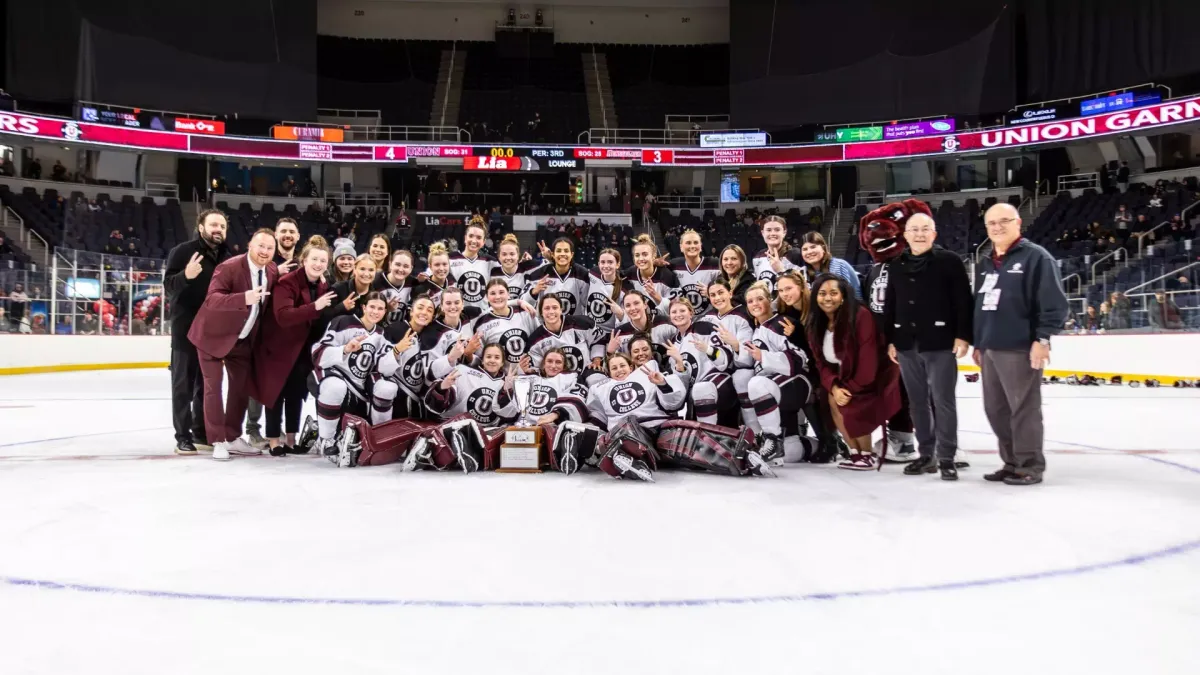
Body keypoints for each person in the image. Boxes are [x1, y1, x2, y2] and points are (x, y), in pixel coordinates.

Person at [972, 203, 1069, 486]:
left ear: (1017, 223)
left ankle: (1029, 465)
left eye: (1004, 221)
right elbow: (979, 305)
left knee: (1023, 409)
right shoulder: (985, 262)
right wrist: (978, 342)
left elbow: (1054, 304)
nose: (997, 227)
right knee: (996, 410)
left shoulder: (1036, 257)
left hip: (1019, 347)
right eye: (992, 223)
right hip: (989, 347)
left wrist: (1043, 339)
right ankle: (1011, 462)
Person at [883, 213, 973, 480]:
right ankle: (926, 455)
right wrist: (891, 339)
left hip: (940, 342)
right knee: (917, 403)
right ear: (905, 235)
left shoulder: (949, 261)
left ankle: (946, 457)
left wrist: (963, 335)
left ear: (934, 234)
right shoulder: (896, 264)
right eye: (914, 229)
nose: (920, 234)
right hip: (906, 343)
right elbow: (891, 303)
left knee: (943, 401)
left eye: (925, 229)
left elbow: (963, 301)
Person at [187, 228, 279, 461]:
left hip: (242, 339)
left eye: (270, 248)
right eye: (261, 246)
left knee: (240, 388)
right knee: (213, 387)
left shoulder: (272, 270)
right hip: (212, 336)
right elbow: (212, 298)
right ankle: (218, 440)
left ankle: (232, 436)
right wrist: (243, 298)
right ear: (250, 245)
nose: (265, 251)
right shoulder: (228, 267)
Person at [253, 236, 339, 456]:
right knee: (276, 393)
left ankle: (291, 439)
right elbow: (283, 316)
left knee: (296, 393)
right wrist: (315, 306)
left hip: (303, 349)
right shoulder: (287, 282)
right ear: (304, 260)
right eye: (314, 259)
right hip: (279, 347)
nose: (318, 264)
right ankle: (274, 440)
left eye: (323, 261)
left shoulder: (322, 284)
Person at [807, 273, 901, 471]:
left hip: (871, 377)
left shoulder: (860, 316)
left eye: (833, 293)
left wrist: (850, 387)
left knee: (850, 400)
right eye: (822, 293)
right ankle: (855, 452)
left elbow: (868, 360)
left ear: (843, 296)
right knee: (831, 397)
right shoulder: (815, 322)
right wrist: (834, 386)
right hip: (841, 376)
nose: (827, 298)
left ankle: (866, 454)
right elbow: (820, 363)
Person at [162, 209, 231, 454]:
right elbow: (168, 286)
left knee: (206, 385)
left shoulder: (227, 257)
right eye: (213, 225)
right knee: (183, 384)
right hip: (186, 329)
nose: (218, 229)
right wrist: (186, 276)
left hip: (212, 332)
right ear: (201, 227)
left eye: (222, 226)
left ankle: (200, 432)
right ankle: (183, 436)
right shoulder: (182, 251)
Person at [310, 293, 393, 459]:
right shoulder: (343, 322)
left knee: (388, 387)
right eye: (372, 307)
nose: (375, 311)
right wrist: (345, 349)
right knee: (336, 387)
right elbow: (318, 353)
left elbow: (382, 368)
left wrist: (396, 354)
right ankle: (326, 439)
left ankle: (380, 438)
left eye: (380, 309)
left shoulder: (382, 334)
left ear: (385, 312)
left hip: (358, 390)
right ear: (364, 307)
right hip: (333, 378)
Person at [372, 295, 452, 423]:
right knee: (385, 388)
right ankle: (379, 429)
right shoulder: (395, 330)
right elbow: (382, 369)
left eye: (429, 310)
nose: (424, 312)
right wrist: (397, 350)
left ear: (432, 317)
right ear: (411, 312)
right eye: (420, 308)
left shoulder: (434, 337)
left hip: (418, 396)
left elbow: (433, 372)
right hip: (395, 391)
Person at [469, 279, 540, 366]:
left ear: (508, 294)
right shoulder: (481, 324)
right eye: (493, 293)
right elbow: (480, 359)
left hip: (530, 371)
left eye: (501, 292)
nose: (497, 297)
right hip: (503, 374)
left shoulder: (525, 313)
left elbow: (539, 342)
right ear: (487, 297)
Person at [526, 293, 598, 373]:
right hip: (555, 379)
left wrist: (596, 360)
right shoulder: (535, 340)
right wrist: (528, 370)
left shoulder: (580, 323)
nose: (551, 311)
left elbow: (598, 339)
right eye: (547, 308)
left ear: (561, 310)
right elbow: (536, 368)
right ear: (541, 312)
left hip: (586, 374)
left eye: (555, 307)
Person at [523, 238, 596, 318]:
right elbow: (524, 303)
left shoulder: (582, 274)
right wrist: (533, 292)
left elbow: (589, 304)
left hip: (574, 324)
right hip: (546, 323)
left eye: (566, 251)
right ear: (553, 254)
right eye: (558, 251)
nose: (562, 254)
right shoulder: (538, 275)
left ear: (572, 255)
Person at [662, 230, 720, 315]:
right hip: (682, 318)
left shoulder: (715, 265)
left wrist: (712, 292)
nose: (692, 246)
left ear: (701, 246)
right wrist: (655, 264)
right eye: (688, 243)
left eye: (696, 242)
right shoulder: (673, 265)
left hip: (709, 318)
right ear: (681, 247)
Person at [799, 231, 861, 299]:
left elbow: (845, 297)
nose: (809, 252)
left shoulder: (838, 265)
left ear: (823, 248)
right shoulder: (804, 272)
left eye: (813, 247)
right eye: (805, 249)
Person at [449, 221, 496, 309]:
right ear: (465, 238)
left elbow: (509, 270)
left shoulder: (490, 261)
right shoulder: (450, 259)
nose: (474, 241)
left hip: (483, 314)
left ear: (483, 242)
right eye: (471, 236)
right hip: (457, 313)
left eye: (478, 237)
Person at [752, 215, 805, 289]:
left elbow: (804, 288)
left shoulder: (796, 255)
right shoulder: (758, 257)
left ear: (784, 232)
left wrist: (781, 271)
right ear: (763, 233)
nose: (773, 233)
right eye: (769, 230)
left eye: (777, 230)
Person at [373, 249, 417, 328]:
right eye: (397, 264)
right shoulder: (376, 282)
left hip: (401, 330)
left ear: (411, 269)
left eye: (406, 266)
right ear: (390, 264)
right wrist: (385, 308)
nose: (401, 269)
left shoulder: (414, 283)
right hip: (377, 328)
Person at [411, 242, 457, 306]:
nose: (441, 268)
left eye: (444, 264)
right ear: (430, 266)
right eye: (437, 265)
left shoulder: (452, 280)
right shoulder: (422, 289)